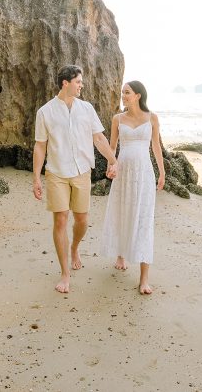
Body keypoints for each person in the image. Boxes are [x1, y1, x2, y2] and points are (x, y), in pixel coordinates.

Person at [33, 65, 118, 294]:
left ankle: (74, 248)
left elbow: (99, 138)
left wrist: (113, 160)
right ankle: (64, 273)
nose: (81, 85)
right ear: (65, 83)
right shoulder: (45, 112)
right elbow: (40, 146)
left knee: (82, 221)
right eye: (78, 81)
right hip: (57, 172)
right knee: (60, 220)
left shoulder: (86, 109)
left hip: (82, 172)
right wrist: (36, 178)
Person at [101, 80, 166, 295]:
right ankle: (121, 253)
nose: (123, 96)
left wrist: (162, 172)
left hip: (144, 174)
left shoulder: (152, 118)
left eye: (127, 92)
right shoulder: (118, 119)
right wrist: (111, 165)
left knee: (144, 219)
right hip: (123, 173)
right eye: (122, 93)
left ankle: (144, 278)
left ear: (138, 95)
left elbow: (156, 146)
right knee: (122, 213)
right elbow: (112, 147)